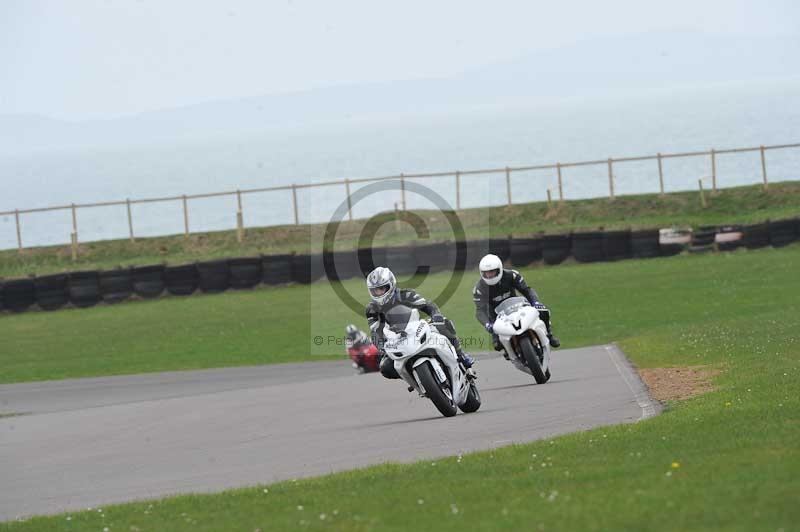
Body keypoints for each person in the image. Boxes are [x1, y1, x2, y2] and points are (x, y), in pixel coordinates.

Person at [365, 266, 474, 380]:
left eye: (382, 288)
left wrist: (436, 316)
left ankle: (461, 356)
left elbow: (428, 306)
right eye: (375, 290)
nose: (378, 293)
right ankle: (416, 377)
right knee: (385, 367)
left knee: (445, 324)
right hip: (396, 339)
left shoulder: (405, 295)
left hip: (418, 328)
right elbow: (375, 331)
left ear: (391, 284)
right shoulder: (372, 309)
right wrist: (382, 347)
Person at [472, 254, 560, 354]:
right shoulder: (479, 289)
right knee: (497, 345)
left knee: (543, 311)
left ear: (499, 270)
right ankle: (509, 351)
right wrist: (487, 323)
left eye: (492, 272)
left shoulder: (511, 275)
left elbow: (527, 290)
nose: (489, 275)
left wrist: (535, 302)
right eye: (486, 273)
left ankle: (549, 334)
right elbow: (480, 310)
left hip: (518, 306)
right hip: (496, 317)